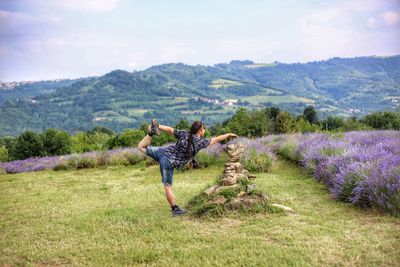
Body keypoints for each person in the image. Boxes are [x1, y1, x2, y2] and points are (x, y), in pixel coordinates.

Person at [137, 119, 238, 216]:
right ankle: (175, 209)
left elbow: (170, 129)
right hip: (167, 162)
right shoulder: (200, 142)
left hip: (163, 152)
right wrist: (228, 134)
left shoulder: (185, 134)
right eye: (204, 128)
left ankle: (150, 133)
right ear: (200, 130)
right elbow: (217, 139)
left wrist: (158, 126)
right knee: (168, 187)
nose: (205, 130)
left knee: (141, 147)